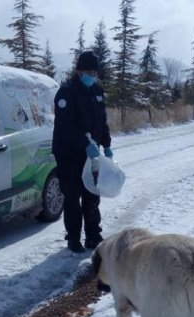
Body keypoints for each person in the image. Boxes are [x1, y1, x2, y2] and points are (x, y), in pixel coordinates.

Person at [52, 50, 113, 253]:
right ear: (79, 71)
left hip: (91, 155)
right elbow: (64, 127)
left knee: (92, 195)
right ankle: (74, 238)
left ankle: (93, 235)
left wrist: (107, 144)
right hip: (69, 155)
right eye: (88, 71)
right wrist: (83, 144)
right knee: (72, 197)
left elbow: (101, 122)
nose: (92, 76)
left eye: (95, 72)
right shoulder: (66, 92)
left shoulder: (96, 91)